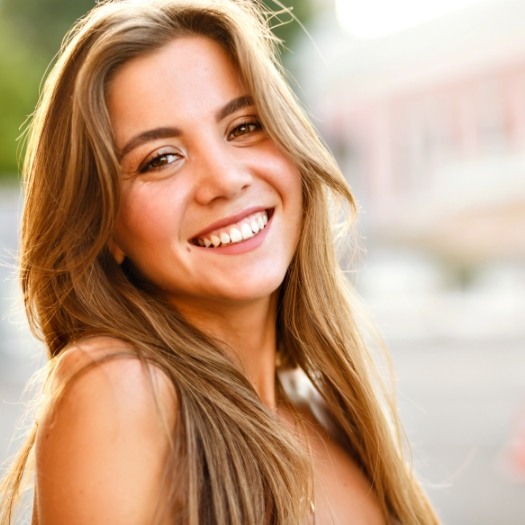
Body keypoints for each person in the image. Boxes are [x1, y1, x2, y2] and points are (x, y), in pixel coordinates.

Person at [0, 0, 440, 523]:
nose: (226, 179)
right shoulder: (119, 385)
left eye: (243, 127)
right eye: (160, 159)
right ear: (104, 229)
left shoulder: (320, 403)